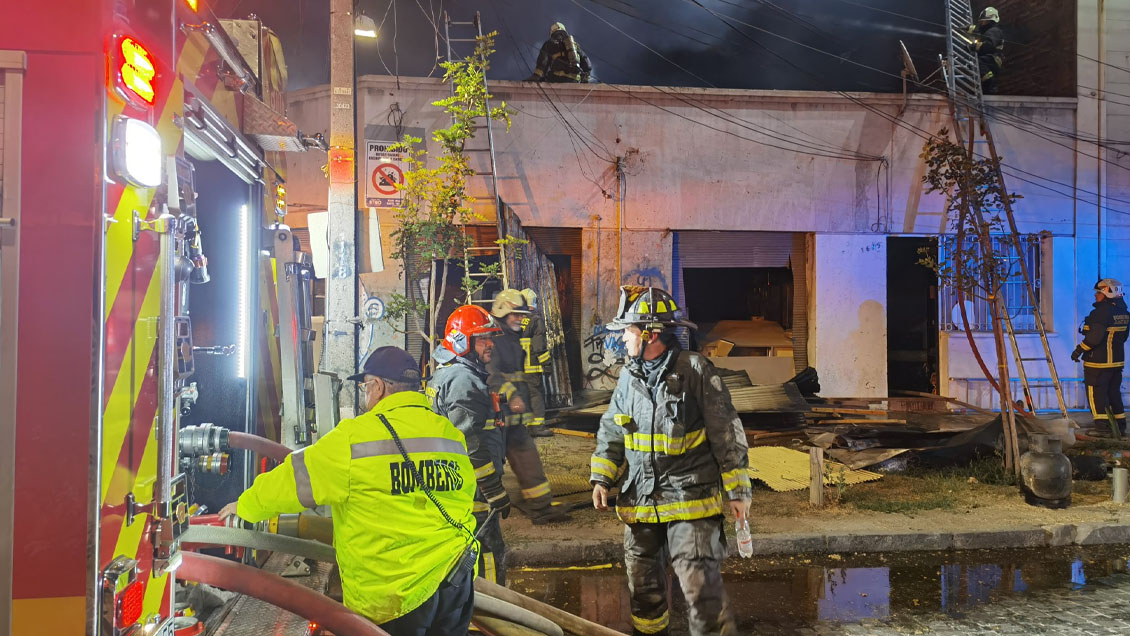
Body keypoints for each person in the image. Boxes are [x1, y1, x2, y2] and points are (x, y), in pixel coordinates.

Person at [218, 346, 478, 634]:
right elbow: (463, 494)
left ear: (377, 386)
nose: (366, 395)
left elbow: (291, 481)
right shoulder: (448, 432)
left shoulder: (357, 437)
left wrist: (244, 508)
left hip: (397, 594)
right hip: (456, 582)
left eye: (365, 386)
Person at [590, 286, 751, 636]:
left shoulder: (695, 370)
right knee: (644, 593)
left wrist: (738, 490)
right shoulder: (628, 378)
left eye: (628, 331)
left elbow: (726, 429)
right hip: (642, 502)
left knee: (700, 590)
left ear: (649, 334)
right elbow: (612, 429)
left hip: (690, 501)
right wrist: (601, 477)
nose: (622, 339)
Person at [427, 304, 511, 584]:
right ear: (463, 341)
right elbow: (470, 445)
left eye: (490, 338)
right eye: (482, 339)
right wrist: (494, 490)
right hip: (473, 489)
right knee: (487, 550)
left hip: (452, 482)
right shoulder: (464, 381)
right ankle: (491, 615)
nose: (490, 345)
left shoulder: (447, 373)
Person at [487, 290, 571, 525]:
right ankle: (485, 512)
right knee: (490, 467)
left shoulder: (511, 338)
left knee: (528, 458)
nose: (519, 319)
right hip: (493, 418)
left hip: (512, 417)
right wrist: (511, 396)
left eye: (521, 315)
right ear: (503, 311)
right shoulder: (492, 338)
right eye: (515, 314)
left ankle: (541, 508)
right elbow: (490, 376)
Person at [1072, 279, 1130, 436]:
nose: (1096, 295)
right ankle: (1120, 426)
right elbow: (1124, 337)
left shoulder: (1101, 313)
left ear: (1107, 292)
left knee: (1095, 392)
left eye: (1098, 292)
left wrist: (1078, 350)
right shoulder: (1123, 312)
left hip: (1097, 362)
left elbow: (1094, 338)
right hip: (1116, 362)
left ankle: (1102, 428)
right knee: (1113, 393)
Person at [519, 287, 553, 437]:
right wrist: (546, 364)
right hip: (532, 366)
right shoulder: (535, 320)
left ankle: (524, 426)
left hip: (516, 367)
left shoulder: (514, 319)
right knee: (536, 395)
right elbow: (539, 346)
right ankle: (537, 427)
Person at [526, 22, 593, 83]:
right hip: (574, 80)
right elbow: (587, 64)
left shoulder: (549, 44)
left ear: (552, 33)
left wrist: (536, 76)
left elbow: (542, 63)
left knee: (545, 79)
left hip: (557, 78)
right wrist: (585, 79)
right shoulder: (575, 46)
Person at [967, 7, 1004, 95]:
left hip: (994, 58)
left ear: (991, 21)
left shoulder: (994, 31)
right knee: (975, 65)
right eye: (981, 21)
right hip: (988, 58)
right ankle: (984, 88)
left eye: (984, 21)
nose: (982, 23)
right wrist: (964, 28)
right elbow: (976, 30)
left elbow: (989, 46)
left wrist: (974, 46)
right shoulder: (986, 31)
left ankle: (991, 84)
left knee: (978, 64)